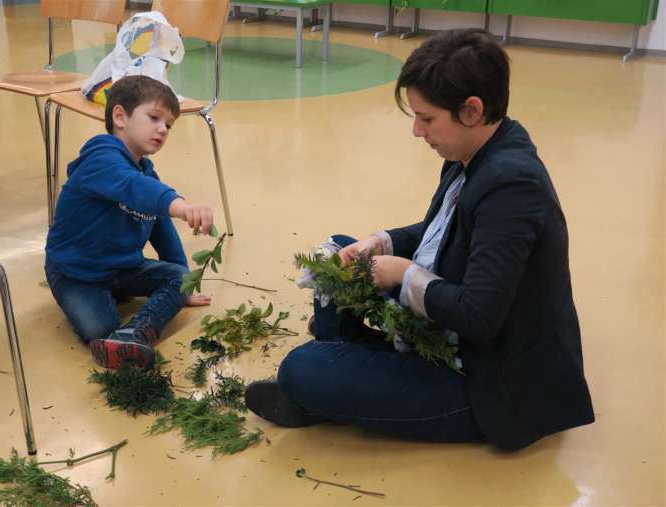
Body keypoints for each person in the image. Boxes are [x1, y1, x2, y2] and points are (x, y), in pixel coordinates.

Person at [245, 29, 595, 451]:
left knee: (301, 369)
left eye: (427, 118)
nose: (416, 130)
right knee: (343, 248)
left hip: (486, 383)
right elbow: (445, 230)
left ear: (471, 110)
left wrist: (404, 272)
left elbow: (480, 316)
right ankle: (351, 375)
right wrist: (382, 243)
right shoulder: (476, 149)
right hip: (450, 335)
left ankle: (333, 385)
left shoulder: (512, 186)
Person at [45, 75, 214, 370]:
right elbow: (133, 187)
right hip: (77, 274)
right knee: (99, 328)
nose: (162, 129)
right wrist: (181, 206)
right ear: (120, 116)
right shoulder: (100, 159)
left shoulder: (147, 173)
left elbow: (162, 230)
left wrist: (185, 285)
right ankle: (114, 326)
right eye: (154, 118)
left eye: (169, 125)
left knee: (179, 276)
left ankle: (137, 331)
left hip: (123, 268)